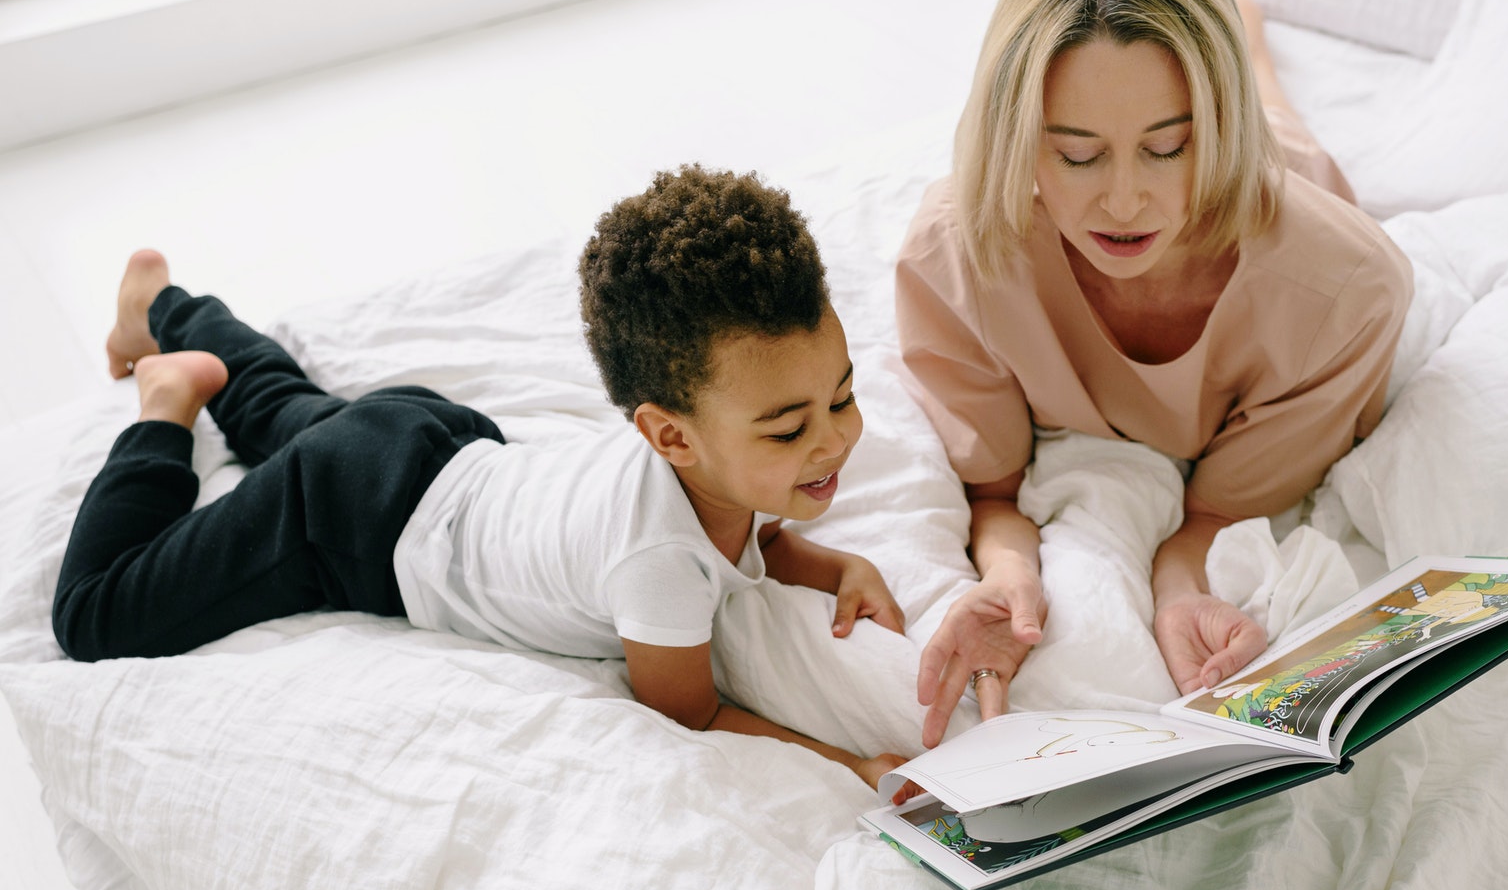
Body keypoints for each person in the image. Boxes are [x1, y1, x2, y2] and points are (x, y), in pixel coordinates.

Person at [54, 164, 910, 789]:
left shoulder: (723, 469)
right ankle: (165, 402)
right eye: (791, 427)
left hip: (429, 443)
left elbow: (758, 538)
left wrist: (838, 567)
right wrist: (854, 766)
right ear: (669, 436)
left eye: (841, 398)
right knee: (97, 613)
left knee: (284, 410)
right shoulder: (659, 568)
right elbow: (693, 713)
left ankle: (163, 306)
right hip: (357, 524)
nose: (833, 441)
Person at [895, 0, 1413, 746]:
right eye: (1076, 154)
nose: (1126, 200)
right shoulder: (957, 257)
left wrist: (1181, 591)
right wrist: (1009, 576)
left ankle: (1237, 17)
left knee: (1273, 108)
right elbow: (993, 494)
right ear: (1017, 133)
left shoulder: (1345, 291)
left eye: (1168, 147)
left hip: (1279, 173)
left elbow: (1212, 514)